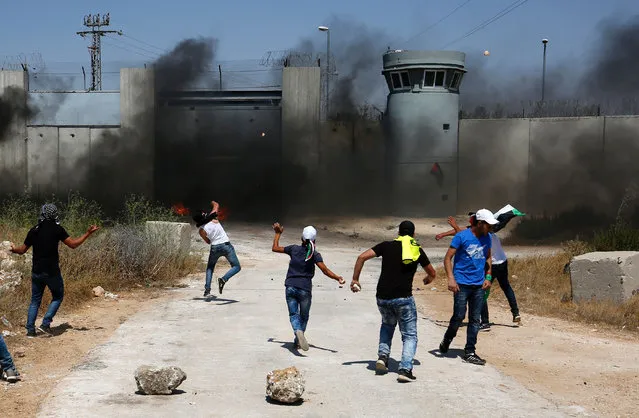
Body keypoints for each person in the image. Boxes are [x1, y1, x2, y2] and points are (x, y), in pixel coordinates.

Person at [351, 220, 437, 383]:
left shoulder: (386, 246)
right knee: (409, 335)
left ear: (398, 232)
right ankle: (405, 369)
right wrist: (428, 279)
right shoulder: (416, 249)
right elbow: (432, 272)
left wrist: (355, 279)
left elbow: (361, 257)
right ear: (413, 234)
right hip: (403, 298)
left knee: (387, 325)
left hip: (382, 297)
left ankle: (382, 357)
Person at [10, 203, 99, 337]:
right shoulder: (58, 229)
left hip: (36, 271)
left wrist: (12, 249)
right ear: (55, 214)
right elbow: (73, 245)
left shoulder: (34, 230)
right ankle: (45, 324)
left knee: (35, 300)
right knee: (58, 296)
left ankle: (30, 330)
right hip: (51, 272)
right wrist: (88, 233)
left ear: (42, 213)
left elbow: (22, 250)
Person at [271, 222, 344, 351]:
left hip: (290, 286)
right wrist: (337, 277)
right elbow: (325, 270)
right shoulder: (315, 254)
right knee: (304, 316)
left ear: (301, 239)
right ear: (314, 240)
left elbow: (275, 248)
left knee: (294, 315)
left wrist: (277, 234)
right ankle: (299, 336)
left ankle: (297, 332)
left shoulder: (293, 249)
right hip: (305, 289)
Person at [439, 209, 498, 366]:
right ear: (480, 223)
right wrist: (451, 279)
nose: (491, 228)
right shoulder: (461, 236)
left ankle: (470, 351)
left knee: (475, 319)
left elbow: (488, 257)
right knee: (458, 316)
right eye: (488, 225)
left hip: (478, 285)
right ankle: (447, 339)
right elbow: (447, 258)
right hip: (461, 284)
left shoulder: (488, 238)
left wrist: (488, 276)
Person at [194, 200, 241, 297]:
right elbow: (216, 205)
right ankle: (223, 279)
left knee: (210, 268)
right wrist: (211, 202)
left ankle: (207, 290)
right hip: (226, 245)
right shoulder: (213, 218)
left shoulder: (201, 230)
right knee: (236, 267)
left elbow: (208, 241)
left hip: (215, 247)